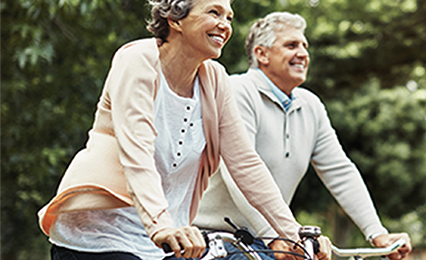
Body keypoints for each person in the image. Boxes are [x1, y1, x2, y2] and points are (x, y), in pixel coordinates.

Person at [37, 2, 331, 260]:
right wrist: (161, 225)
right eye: (214, 12)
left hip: (164, 244)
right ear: (175, 19)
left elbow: (245, 164)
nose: (225, 25)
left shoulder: (215, 79)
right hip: (97, 237)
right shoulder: (138, 59)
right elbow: (137, 152)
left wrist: (295, 234)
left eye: (229, 16)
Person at [193, 11, 413, 260]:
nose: (303, 53)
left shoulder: (311, 106)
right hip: (216, 238)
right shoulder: (237, 91)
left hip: (271, 240)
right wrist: (275, 235)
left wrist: (377, 233)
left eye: (305, 46)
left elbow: (340, 171)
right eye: (291, 45)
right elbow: (239, 169)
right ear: (261, 54)